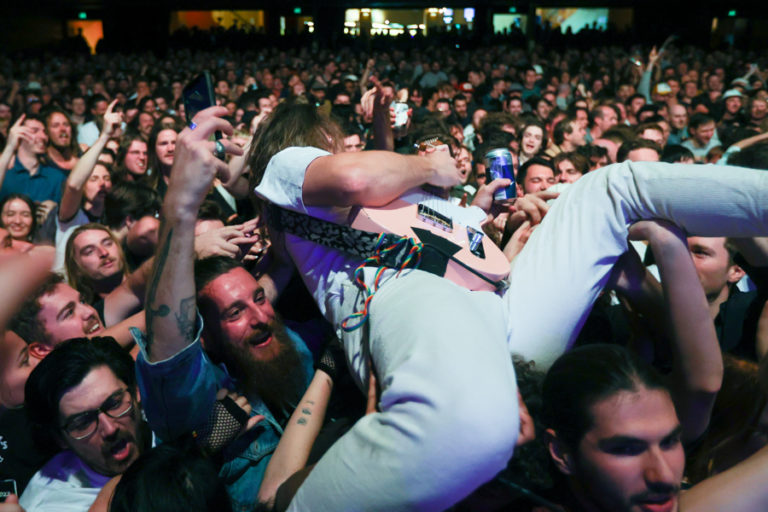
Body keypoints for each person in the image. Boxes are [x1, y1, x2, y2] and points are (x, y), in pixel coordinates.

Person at [247, 99, 768, 511]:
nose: (348, 145)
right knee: (474, 426)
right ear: (317, 141)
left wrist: (510, 227)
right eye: (337, 140)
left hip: (497, 308)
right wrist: (431, 164)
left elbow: (465, 250)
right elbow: (353, 178)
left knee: (611, 187)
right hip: (412, 296)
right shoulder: (289, 167)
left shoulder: (388, 200)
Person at [134, 110, 314, 510]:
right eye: (234, 313)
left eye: (259, 299)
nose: (260, 317)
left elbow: (278, 268)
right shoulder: (198, 404)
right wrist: (180, 207)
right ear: (205, 335)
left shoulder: (283, 340)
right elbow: (171, 344)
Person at [20, 337, 151, 512]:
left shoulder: (175, 423)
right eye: (83, 423)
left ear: (136, 391)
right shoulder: (50, 505)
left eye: (114, 404)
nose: (110, 429)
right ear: (59, 438)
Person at [0, 114, 66, 204]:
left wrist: (54, 209)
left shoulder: (56, 177)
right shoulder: (5, 172)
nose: (43, 136)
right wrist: (10, 146)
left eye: (45, 132)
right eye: (34, 131)